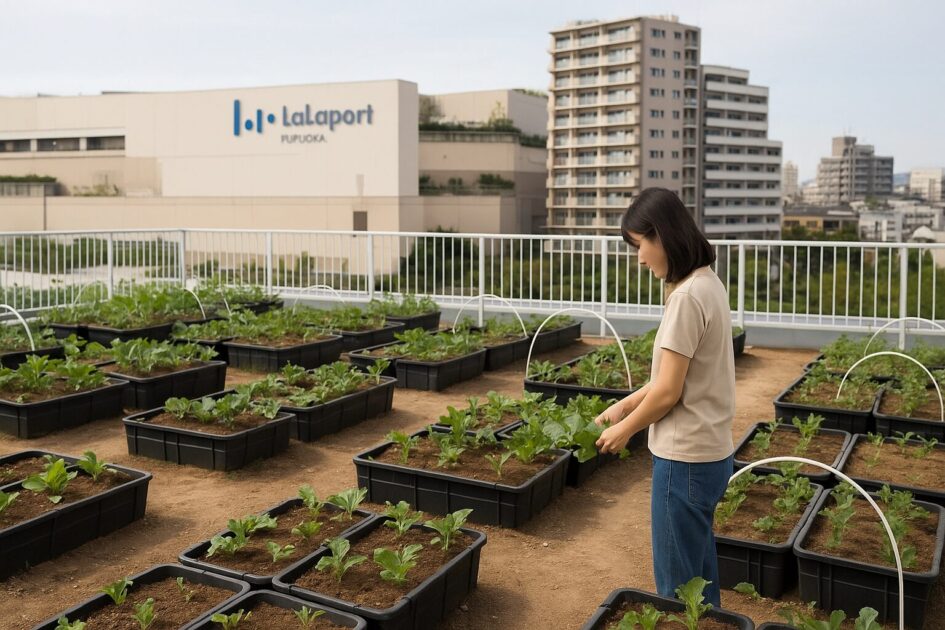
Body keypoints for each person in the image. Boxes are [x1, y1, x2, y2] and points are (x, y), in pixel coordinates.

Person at [594, 187, 736, 607]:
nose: (638, 258)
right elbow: (672, 380)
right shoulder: (707, 283)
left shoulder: (686, 298)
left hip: (683, 459)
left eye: (639, 246)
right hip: (711, 453)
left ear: (662, 236)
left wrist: (625, 429)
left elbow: (670, 392)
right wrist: (624, 405)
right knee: (702, 583)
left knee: (677, 591)